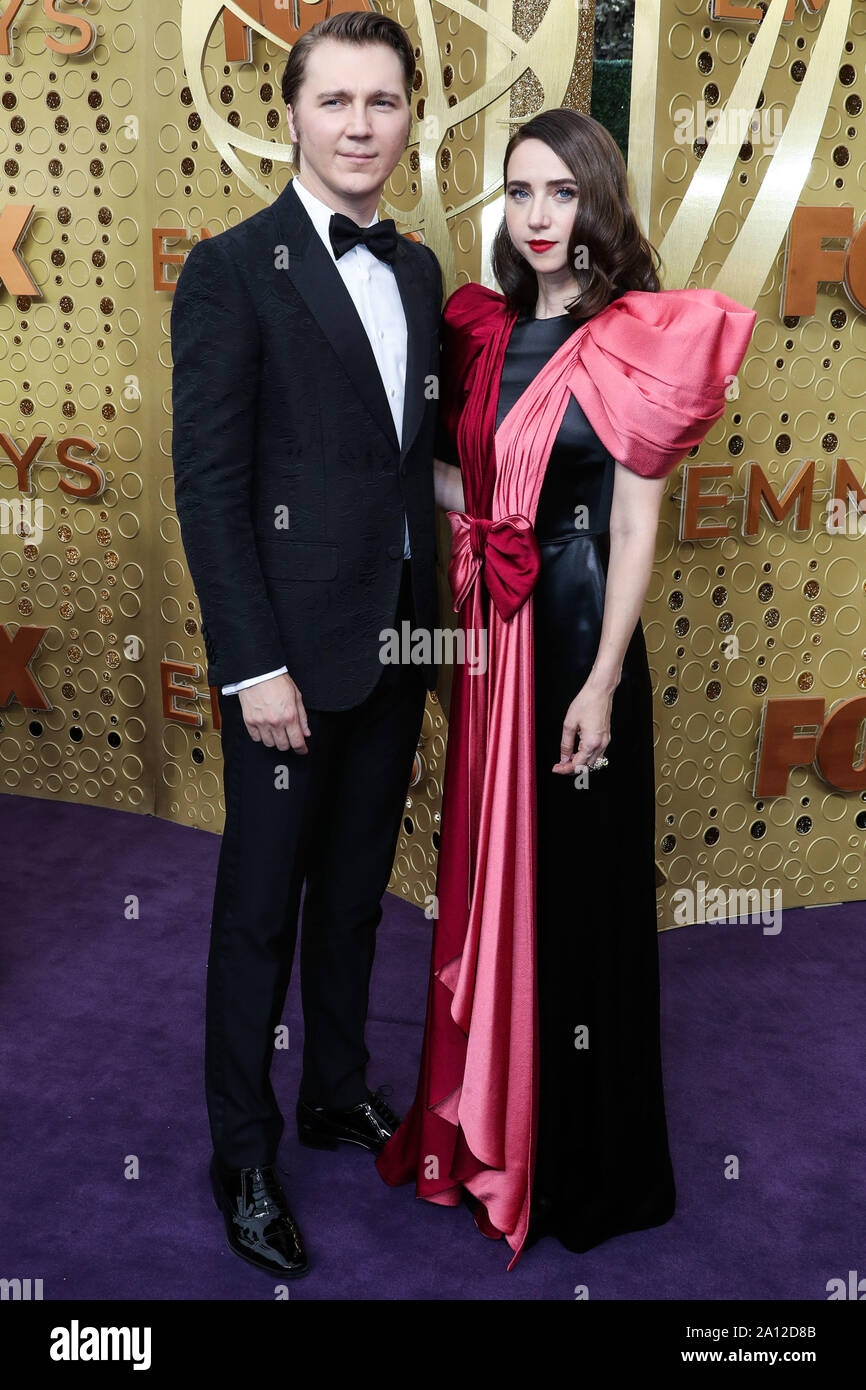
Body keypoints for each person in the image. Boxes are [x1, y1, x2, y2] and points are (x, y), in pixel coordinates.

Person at [376, 108, 756, 1267]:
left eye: (559, 193)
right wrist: (369, 469)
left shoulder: (640, 334)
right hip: (490, 642)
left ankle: (578, 1163)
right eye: (517, 193)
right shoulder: (480, 331)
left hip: (578, 642)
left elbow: (634, 528)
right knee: (485, 874)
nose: (537, 217)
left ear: (598, 203)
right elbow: (475, 483)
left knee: (577, 892)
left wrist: (597, 682)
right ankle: (481, 1120)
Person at [170, 11, 444, 1278]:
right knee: (257, 917)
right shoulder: (231, 269)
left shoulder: (422, 269)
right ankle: (243, 1152)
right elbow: (211, 487)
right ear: (288, 113)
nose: (356, 125)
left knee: (354, 900)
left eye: (380, 102)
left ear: (410, 117)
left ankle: (337, 1088)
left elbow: (406, 464)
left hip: (394, 643)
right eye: (332, 101)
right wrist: (251, 664)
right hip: (282, 662)